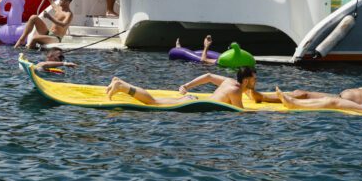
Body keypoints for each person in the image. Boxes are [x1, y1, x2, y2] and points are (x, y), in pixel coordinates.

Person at [106, 66, 268, 108]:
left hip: (192, 100)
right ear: (246, 81)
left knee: (155, 101)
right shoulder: (235, 90)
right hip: (192, 103)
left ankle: (119, 82)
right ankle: (122, 86)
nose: (256, 82)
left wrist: (187, 85)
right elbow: (240, 112)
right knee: (153, 102)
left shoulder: (229, 82)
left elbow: (209, 76)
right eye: (254, 80)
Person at [263, 72, 362, 105]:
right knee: (299, 92)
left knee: (303, 95)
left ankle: (263, 98)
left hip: (340, 101)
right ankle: (265, 97)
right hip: (338, 96)